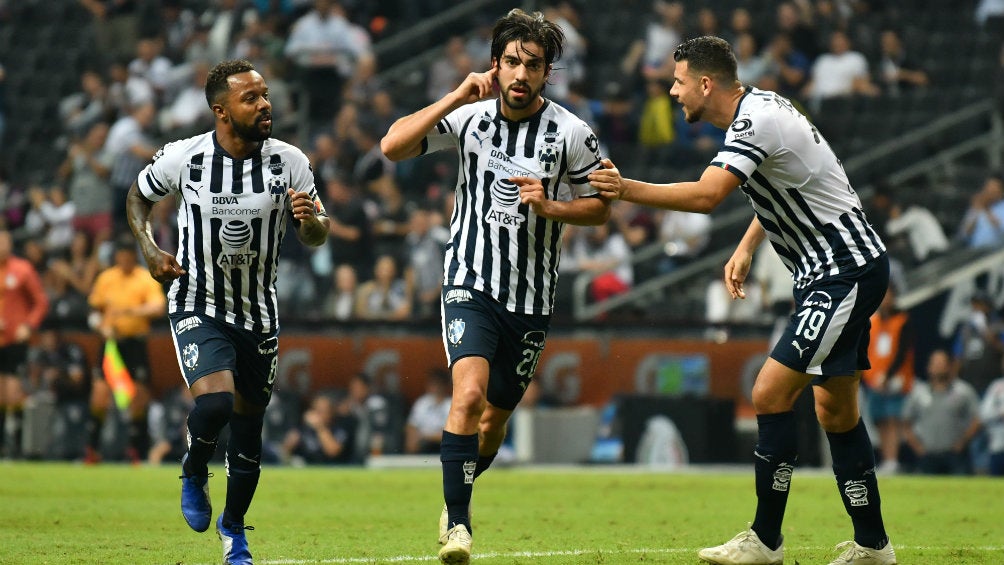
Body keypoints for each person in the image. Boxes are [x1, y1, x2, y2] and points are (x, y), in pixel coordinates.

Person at [588, 36, 896, 565]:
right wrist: (748, 245)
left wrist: (626, 189)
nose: (672, 90)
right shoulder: (763, 108)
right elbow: (791, 182)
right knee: (836, 408)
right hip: (837, 269)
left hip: (843, 272)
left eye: (678, 81)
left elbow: (708, 197)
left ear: (706, 84)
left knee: (770, 392)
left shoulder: (754, 121)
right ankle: (873, 545)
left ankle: (766, 540)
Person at [380, 9, 610, 564]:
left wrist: (552, 205)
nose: (520, 74)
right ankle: (458, 525)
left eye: (532, 64)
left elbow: (602, 206)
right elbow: (391, 146)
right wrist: (456, 96)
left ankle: (459, 489)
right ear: (495, 64)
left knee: (493, 422)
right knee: (467, 396)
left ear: (548, 72)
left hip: (531, 298)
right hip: (469, 282)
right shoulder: (471, 118)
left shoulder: (571, 132)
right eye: (511, 61)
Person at [125, 59, 329, 565]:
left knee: (249, 430)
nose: (265, 105)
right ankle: (194, 468)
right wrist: (149, 250)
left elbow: (318, 230)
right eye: (251, 98)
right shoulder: (185, 158)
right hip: (199, 301)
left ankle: (234, 529)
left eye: (265, 95)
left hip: (259, 313)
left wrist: (310, 223)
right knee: (215, 405)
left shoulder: (290, 162)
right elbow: (137, 197)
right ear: (221, 110)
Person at [88, 238, 167, 464]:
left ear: (134, 257)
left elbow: (158, 307)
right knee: (100, 393)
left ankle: (136, 449)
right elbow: (93, 311)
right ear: (116, 257)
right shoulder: (106, 278)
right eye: (120, 257)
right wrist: (101, 327)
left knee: (138, 395)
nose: (123, 261)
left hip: (135, 343)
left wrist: (131, 312)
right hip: (111, 343)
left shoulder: (144, 278)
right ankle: (92, 449)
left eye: (128, 257)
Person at [0, 228, 49, 458]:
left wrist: (28, 326)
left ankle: (17, 446)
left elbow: (40, 302)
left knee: (12, 390)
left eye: (5, 241)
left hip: (14, 339)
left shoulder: (22, 269)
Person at [902, 349, 982, 475]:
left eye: (941, 363)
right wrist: (917, 447)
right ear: (928, 367)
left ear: (949, 366)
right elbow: (906, 422)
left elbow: (977, 420)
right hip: (927, 455)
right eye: (935, 363)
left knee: (960, 489)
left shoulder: (963, 391)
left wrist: (963, 443)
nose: (938, 367)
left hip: (955, 455)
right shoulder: (919, 393)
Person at [861, 287, 915, 474]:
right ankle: (886, 459)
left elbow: (902, 352)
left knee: (893, 419)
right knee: (880, 420)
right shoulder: (872, 321)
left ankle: (893, 459)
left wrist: (888, 375)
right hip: (874, 380)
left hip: (895, 380)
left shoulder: (902, 321)